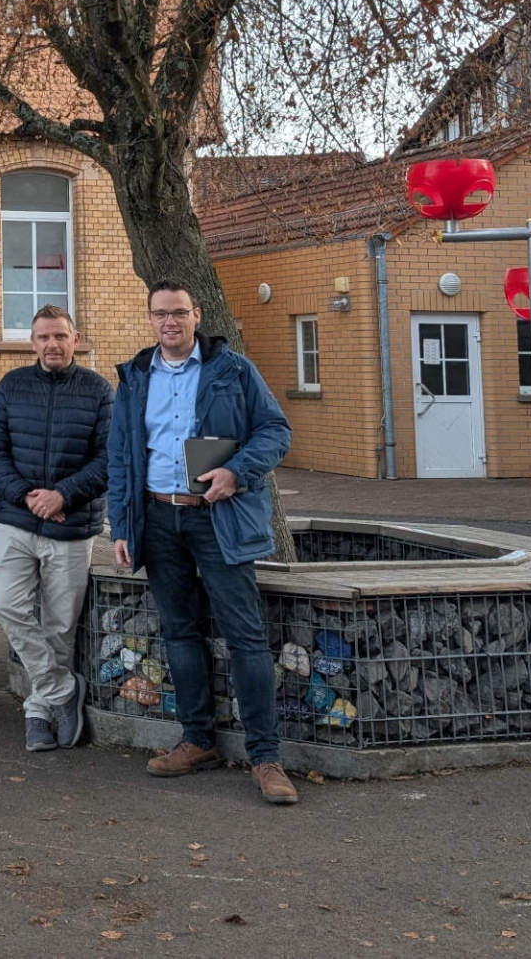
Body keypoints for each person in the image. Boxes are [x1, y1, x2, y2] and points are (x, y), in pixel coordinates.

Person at [106, 280, 298, 804]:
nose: (169, 322)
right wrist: (121, 525)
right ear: (150, 319)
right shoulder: (135, 376)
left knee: (245, 636)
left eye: (179, 313)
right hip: (156, 517)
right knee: (180, 633)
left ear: (196, 316)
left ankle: (265, 758)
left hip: (217, 518)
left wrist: (236, 471)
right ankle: (196, 741)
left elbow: (276, 431)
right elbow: (121, 455)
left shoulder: (232, 370)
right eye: (159, 314)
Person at [0, 304, 114, 752]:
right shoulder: (13, 386)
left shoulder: (98, 390)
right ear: (31, 342)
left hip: (73, 526)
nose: (52, 344)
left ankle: (38, 712)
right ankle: (61, 691)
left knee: (59, 627)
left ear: (76, 340)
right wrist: (28, 497)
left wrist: (64, 496)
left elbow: (109, 459)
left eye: (60, 336)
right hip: (16, 521)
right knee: (6, 604)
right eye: (43, 337)